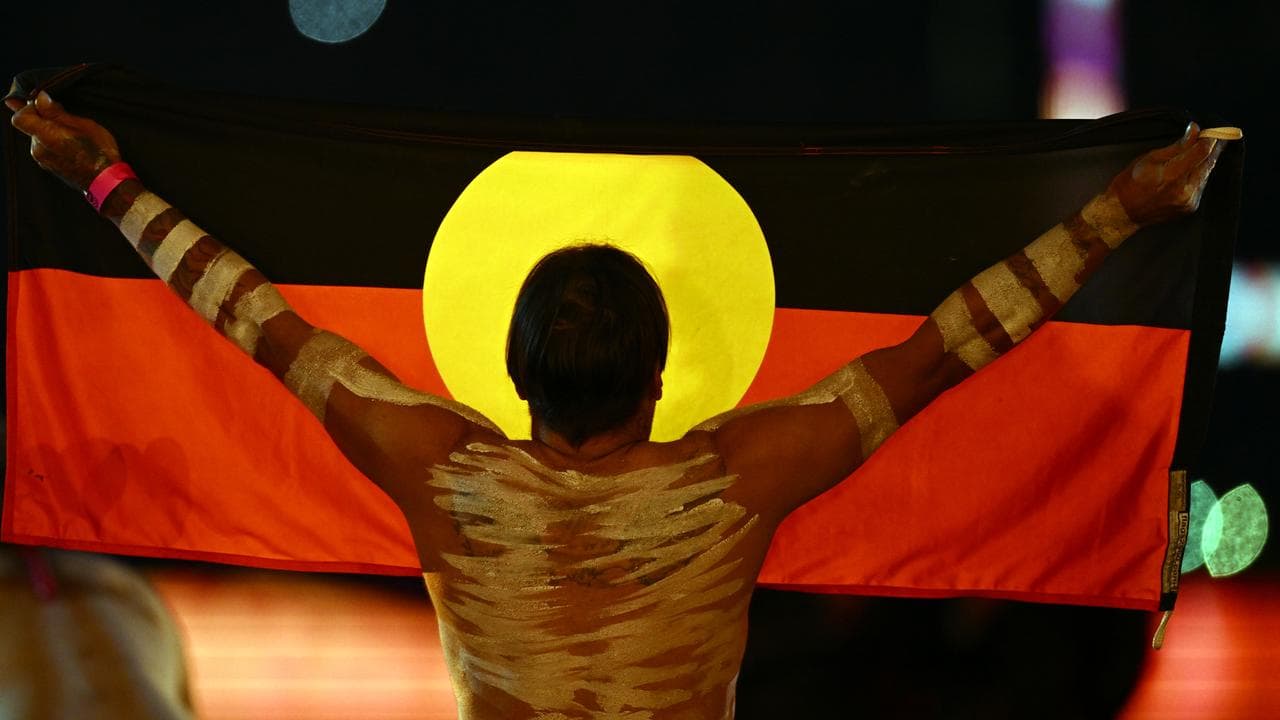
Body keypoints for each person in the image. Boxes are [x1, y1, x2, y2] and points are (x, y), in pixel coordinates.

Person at [7, 90, 1228, 720]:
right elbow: (950, 343)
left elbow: (248, 311)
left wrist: (103, 176)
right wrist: (1122, 207)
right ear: (662, 377)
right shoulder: (740, 477)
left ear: (511, 368)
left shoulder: (434, 465)